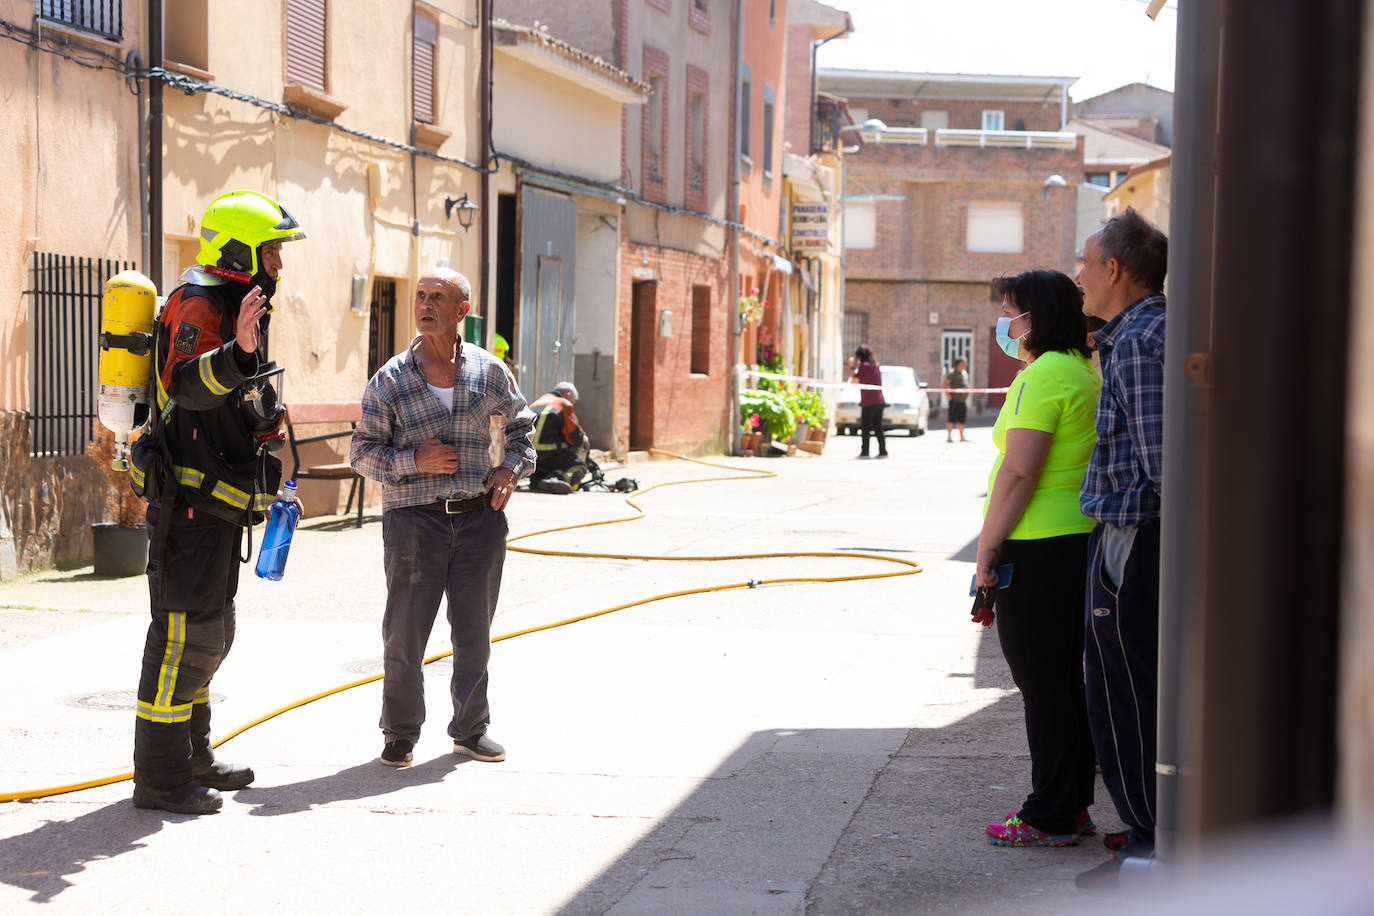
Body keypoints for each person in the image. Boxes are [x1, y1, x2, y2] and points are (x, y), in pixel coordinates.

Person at [129, 190, 306, 815]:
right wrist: (237, 353)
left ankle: (192, 756)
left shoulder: (234, 304)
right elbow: (184, 383)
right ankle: (160, 779)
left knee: (208, 633)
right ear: (239, 251)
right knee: (182, 637)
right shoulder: (199, 301)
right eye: (272, 250)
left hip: (218, 510)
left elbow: (234, 399)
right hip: (189, 509)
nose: (279, 263)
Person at [349, 267, 535, 769]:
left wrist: (508, 472)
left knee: (474, 631)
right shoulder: (390, 379)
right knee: (405, 634)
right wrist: (415, 461)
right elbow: (362, 453)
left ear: (461, 311)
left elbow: (522, 432)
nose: (426, 304)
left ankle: (472, 730)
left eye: (438, 297)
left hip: (480, 520)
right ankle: (400, 734)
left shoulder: (490, 373)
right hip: (414, 522)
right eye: (421, 295)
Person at [976, 270, 1102, 848]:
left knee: (1043, 685)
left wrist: (986, 551)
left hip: (1037, 547)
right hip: (1077, 543)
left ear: (1037, 319)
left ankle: (1050, 813)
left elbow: (1020, 470)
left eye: (1013, 312)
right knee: (1066, 683)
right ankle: (1071, 807)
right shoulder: (1082, 371)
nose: (1008, 324)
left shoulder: (1042, 374)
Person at [1073, 207, 1169, 886]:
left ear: (1114, 268)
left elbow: (1165, 465)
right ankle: (1146, 830)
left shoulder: (1137, 341)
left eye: (1085, 262)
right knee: (1122, 692)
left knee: (1125, 696)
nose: (1077, 276)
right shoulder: (1136, 333)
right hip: (1130, 538)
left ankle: (1151, 842)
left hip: (1135, 540)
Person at [529, 381, 589, 495]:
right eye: (573, 400)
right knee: (579, 465)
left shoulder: (536, 403)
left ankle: (537, 481)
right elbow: (576, 438)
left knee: (542, 465)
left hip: (531, 459)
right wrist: (584, 439)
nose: (572, 403)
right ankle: (556, 478)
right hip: (551, 456)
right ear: (568, 395)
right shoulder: (564, 404)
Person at [850, 345, 887, 459]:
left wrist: (852, 367)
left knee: (865, 427)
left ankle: (865, 452)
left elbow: (854, 381)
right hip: (879, 400)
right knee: (878, 427)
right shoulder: (875, 365)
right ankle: (883, 451)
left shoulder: (864, 366)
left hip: (869, 401)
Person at [943, 357, 971, 442]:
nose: (966, 365)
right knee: (951, 419)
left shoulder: (964, 373)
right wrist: (947, 394)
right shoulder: (952, 373)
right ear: (959, 364)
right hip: (954, 400)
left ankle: (962, 437)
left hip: (963, 400)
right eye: (965, 363)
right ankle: (949, 437)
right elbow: (944, 384)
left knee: (961, 419)